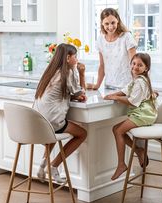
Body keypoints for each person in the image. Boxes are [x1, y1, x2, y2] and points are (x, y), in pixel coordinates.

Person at [33, 43, 87, 183]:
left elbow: (70, 93)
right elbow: (81, 94)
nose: (77, 59)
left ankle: (42, 166)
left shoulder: (50, 71)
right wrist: (82, 73)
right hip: (51, 122)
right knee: (82, 134)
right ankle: (54, 166)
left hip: (38, 121)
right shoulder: (67, 72)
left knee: (53, 132)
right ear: (68, 58)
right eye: (76, 56)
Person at [104, 53, 158, 180]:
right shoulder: (137, 80)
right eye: (134, 64)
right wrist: (112, 95)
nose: (135, 67)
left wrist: (115, 97)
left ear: (146, 68)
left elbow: (133, 101)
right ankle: (139, 151)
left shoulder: (140, 82)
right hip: (144, 114)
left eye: (140, 65)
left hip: (143, 115)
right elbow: (125, 90)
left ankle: (122, 164)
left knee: (118, 130)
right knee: (116, 130)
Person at [87, 8, 137, 90]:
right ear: (102, 24)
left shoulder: (126, 37)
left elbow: (134, 64)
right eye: (106, 24)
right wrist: (97, 85)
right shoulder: (100, 40)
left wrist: (137, 86)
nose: (110, 27)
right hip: (109, 86)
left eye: (113, 22)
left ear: (117, 20)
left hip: (126, 86)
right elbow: (102, 65)